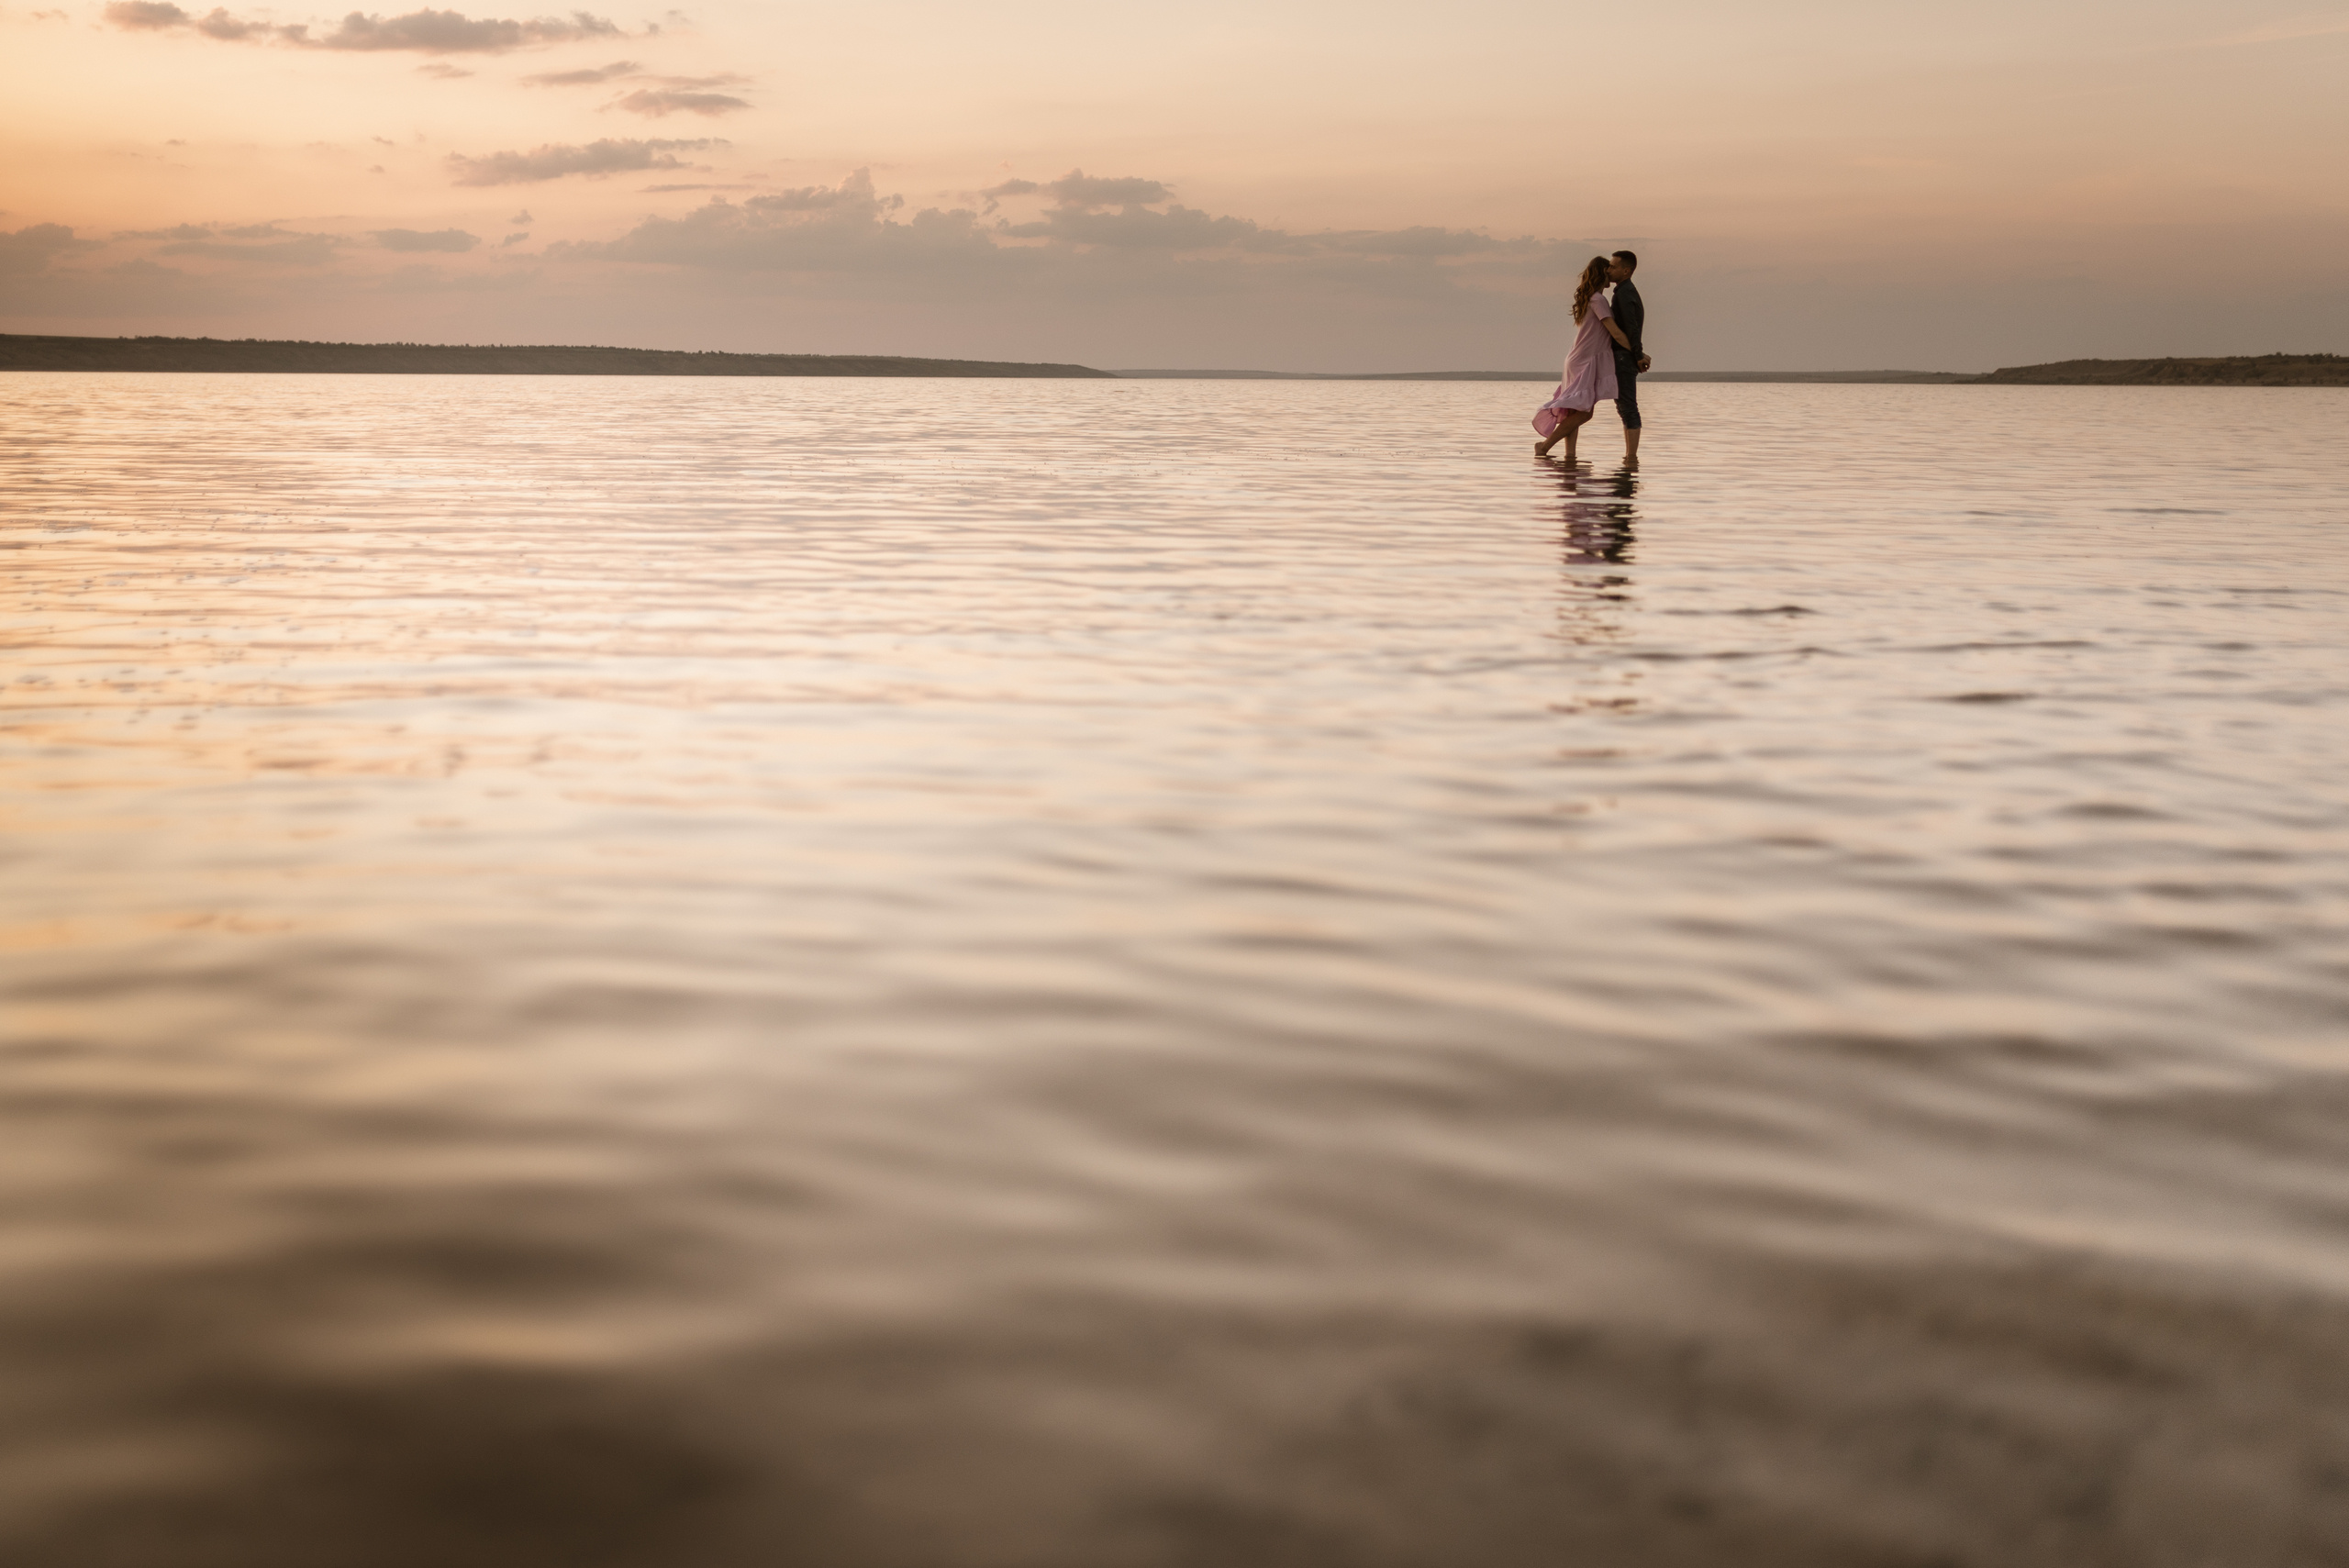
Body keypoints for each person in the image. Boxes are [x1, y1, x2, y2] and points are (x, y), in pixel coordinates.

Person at [1533, 256, 1635, 461]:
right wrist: (1637, 353)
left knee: (1573, 412)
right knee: (1585, 412)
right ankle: (1544, 446)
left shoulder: (1589, 297)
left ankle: (1570, 457)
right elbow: (1614, 332)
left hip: (1577, 359)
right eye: (1608, 271)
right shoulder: (1598, 299)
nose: (1610, 275)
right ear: (1601, 274)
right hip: (1584, 361)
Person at [1608, 250, 1652, 461]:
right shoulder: (1625, 291)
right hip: (1626, 356)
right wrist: (1639, 353)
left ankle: (1631, 458)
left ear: (1626, 271)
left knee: (1628, 406)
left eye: (1613, 266)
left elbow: (1631, 329)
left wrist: (1637, 354)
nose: (1609, 269)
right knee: (1624, 406)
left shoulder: (1625, 294)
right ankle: (1629, 457)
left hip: (1624, 358)